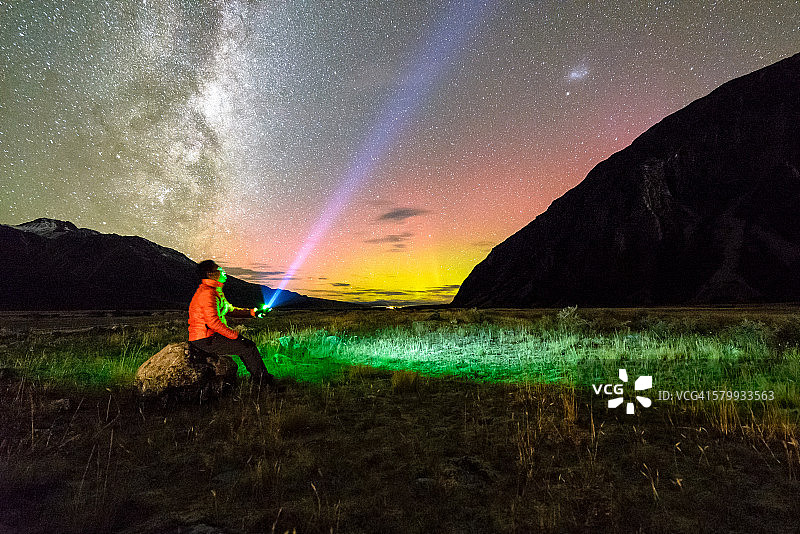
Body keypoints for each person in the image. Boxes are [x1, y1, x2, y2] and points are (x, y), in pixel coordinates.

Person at [188, 260, 276, 387]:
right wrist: (235, 336)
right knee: (247, 347)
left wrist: (253, 312)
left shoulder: (214, 290)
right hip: (205, 339)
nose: (224, 272)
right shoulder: (208, 293)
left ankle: (261, 380)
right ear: (210, 274)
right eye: (220, 270)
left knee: (246, 345)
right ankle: (264, 383)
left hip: (210, 336)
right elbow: (213, 323)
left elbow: (229, 309)